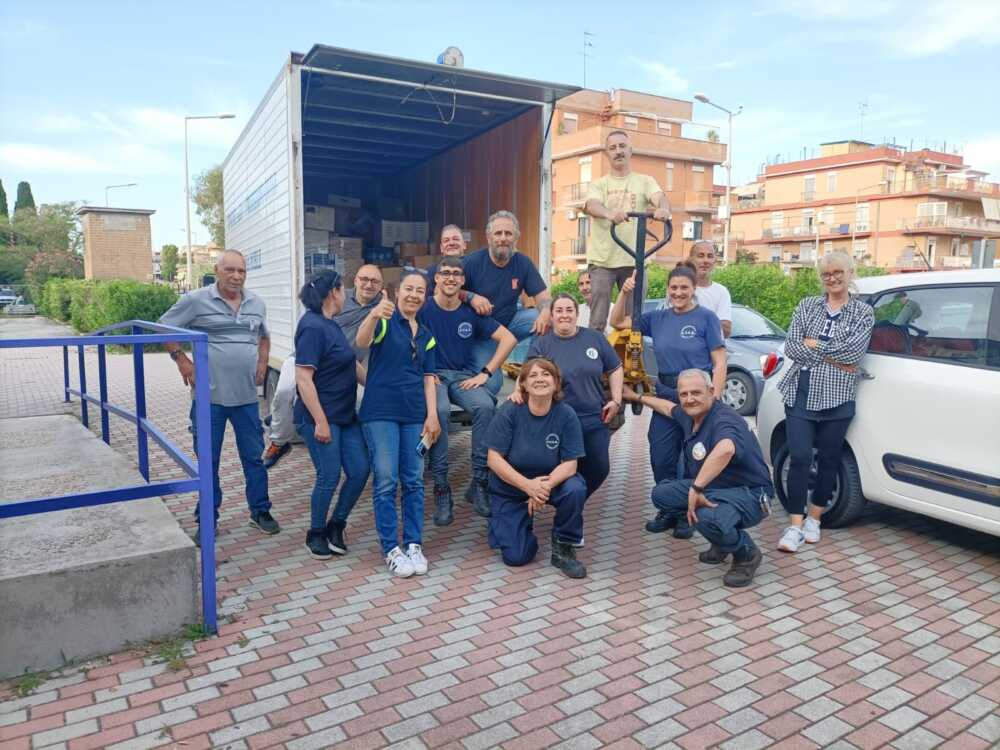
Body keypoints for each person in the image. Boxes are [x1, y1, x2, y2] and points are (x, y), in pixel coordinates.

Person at [160, 250, 279, 536]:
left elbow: (263, 335)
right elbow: (164, 326)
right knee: (209, 460)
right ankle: (207, 519)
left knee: (253, 457)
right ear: (217, 270)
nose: (236, 276)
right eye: (230, 270)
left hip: (247, 399)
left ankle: (260, 511)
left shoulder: (255, 303)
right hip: (208, 400)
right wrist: (181, 360)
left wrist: (263, 361)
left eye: (242, 271)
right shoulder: (196, 301)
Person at [625, 369, 773, 588]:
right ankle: (722, 541)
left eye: (696, 392)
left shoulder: (724, 419)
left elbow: (725, 449)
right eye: (683, 394)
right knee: (662, 495)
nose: (689, 399)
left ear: (712, 391)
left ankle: (746, 554)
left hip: (749, 493)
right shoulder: (691, 414)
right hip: (716, 487)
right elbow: (667, 407)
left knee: (706, 518)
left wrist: (696, 488)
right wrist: (635, 396)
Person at [611, 262, 726, 534]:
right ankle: (669, 509)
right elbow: (616, 322)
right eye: (673, 287)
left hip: (697, 396)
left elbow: (719, 361)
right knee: (661, 453)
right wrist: (624, 293)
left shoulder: (706, 318)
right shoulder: (657, 317)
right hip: (665, 392)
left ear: (693, 289)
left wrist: (715, 397)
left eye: (684, 287)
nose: (678, 292)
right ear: (667, 290)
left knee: (692, 456)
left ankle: (688, 515)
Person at [776, 252, 874, 553]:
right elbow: (792, 346)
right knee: (801, 457)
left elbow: (853, 355)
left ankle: (814, 519)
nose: (832, 278)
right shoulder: (807, 306)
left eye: (837, 272)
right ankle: (794, 526)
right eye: (826, 274)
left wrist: (814, 343)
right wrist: (832, 353)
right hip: (801, 391)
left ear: (850, 272)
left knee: (830, 458)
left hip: (839, 396)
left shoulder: (863, 313)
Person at [419, 256, 517, 524]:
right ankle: (441, 486)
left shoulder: (470, 312)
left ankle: (479, 482)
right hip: (433, 376)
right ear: (436, 279)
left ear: (462, 280)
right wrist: (422, 374)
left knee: (486, 406)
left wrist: (485, 373)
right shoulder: (423, 309)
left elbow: (509, 339)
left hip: (462, 377)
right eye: (445, 273)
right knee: (438, 411)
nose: (450, 277)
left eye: (456, 274)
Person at [356, 270, 441, 578]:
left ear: (425, 296)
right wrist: (374, 314)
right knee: (387, 480)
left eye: (420, 291)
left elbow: (429, 378)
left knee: (415, 480)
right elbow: (361, 342)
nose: (414, 295)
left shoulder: (427, 334)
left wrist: (432, 415)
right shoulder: (384, 322)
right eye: (408, 289)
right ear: (396, 291)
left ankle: (414, 543)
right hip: (380, 412)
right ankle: (391, 548)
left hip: (414, 413)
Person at [262, 265, 384, 468]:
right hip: (306, 357)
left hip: (343, 362)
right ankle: (279, 441)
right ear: (354, 281)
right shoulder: (336, 296)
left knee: (364, 402)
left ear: (381, 287)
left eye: (375, 281)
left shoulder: (382, 308)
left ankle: (363, 456)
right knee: (284, 390)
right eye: (364, 279)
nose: (368, 284)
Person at [486, 358, 588, 578]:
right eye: (533, 375)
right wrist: (527, 487)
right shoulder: (510, 411)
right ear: (522, 383)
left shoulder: (566, 414)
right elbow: (493, 459)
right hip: (512, 487)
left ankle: (564, 546)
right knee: (516, 557)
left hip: (549, 482)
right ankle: (514, 522)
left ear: (556, 383)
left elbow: (570, 464)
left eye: (546, 374)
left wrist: (541, 489)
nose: (540, 379)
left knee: (575, 488)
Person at [292, 271, 370, 560]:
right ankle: (315, 533)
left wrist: (374, 388)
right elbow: (303, 378)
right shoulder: (312, 327)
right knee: (329, 475)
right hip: (319, 418)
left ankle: (337, 524)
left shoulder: (331, 324)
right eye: (343, 289)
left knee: (360, 470)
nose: (346, 294)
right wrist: (321, 421)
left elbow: (350, 363)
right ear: (333, 293)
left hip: (344, 415)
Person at [517, 293, 623, 502]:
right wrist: (517, 391)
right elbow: (528, 374)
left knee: (599, 468)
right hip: (556, 419)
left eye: (569, 310)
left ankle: (573, 501)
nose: (564, 315)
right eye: (559, 311)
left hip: (593, 417)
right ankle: (566, 506)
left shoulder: (594, 338)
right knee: (558, 467)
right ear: (552, 315)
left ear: (577, 313)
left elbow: (615, 368)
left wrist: (617, 400)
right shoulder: (542, 344)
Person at [583, 130, 672, 332]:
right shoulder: (599, 184)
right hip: (603, 261)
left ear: (630, 150)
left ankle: (629, 359)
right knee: (598, 320)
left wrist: (662, 208)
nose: (618, 151)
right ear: (607, 153)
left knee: (634, 320)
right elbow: (591, 205)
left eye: (622, 146)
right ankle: (593, 358)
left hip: (634, 260)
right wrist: (609, 214)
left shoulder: (644, 181)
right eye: (613, 148)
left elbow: (659, 196)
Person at [461, 210, 552, 393]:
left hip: (510, 323)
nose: (503, 238)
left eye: (508, 233)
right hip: (482, 333)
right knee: (492, 385)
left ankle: (529, 374)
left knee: (545, 319)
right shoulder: (472, 262)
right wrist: (471, 297)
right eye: (498, 233)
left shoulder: (523, 263)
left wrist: (545, 311)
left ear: (516, 237)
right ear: (488, 237)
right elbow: (450, 290)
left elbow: (544, 298)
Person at [687, 240, 733, 338]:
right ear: (691, 259)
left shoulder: (722, 292)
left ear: (715, 261)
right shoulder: (680, 289)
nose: (705, 261)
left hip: (712, 352)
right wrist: (713, 322)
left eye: (710, 256)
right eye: (700, 256)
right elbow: (674, 324)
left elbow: (726, 330)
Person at [425, 224, 467, 297]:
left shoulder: (474, 267)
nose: (451, 243)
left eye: (456, 239)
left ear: (464, 245)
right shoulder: (431, 272)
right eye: (446, 240)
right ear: (441, 248)